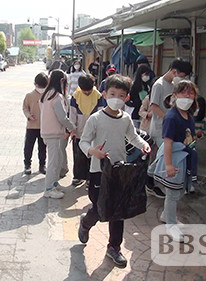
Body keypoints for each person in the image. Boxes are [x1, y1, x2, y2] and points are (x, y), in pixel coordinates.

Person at [78, 74, 150, 267]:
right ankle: (86, 223)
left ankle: (114, 247)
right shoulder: (95, 119)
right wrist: (92, 151)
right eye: (112, 93)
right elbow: (83, 141)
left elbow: (133, 137)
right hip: (98, 172)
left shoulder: (125, 118)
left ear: (127, 97)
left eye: (121, 94)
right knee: (100, 207)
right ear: (104, 94)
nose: (116, 98)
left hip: (119, 172)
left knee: (118, 210)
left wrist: (143, 145)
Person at [154, 80, 200, 242]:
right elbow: (168, 142)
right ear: (175, 96)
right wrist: (168, 164)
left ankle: (167, 215)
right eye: (183, 93)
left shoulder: (188, 116)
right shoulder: (172, 117)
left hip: (184, 158)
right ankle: (171, 224)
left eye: (191, 93)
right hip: (174, 159)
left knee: (179, 191)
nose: (187, 96)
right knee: (173, 193)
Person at [148, 58, 192, 199]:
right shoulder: (159, 85)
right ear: (174, 72)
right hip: (160, 128)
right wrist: (169, 119)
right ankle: (157, 181)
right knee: (165, 156)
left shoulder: (174, 85)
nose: (182, 79)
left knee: (163, 157)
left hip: (171, 129)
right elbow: (154, 106)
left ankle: (151, 179)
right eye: (182, 76)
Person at [40, 69, 77, 199]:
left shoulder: (47, 94)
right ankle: (49, 189)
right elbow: (62, 117)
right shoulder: (56, 96)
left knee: (57, 160)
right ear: (62, 81)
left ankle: (54, 184)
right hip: (53, 133)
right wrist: (73, 128)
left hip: (48, 132)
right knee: (53, 162)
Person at [69, 74, 106, 187]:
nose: (86, 93)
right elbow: (72, 114)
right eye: (84, 91)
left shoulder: (98, 97)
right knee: (78, 156)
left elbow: (101, 114)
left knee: (92, 156)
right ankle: (78, 176)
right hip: (79, 132)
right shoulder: (76, 96)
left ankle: (90, 178)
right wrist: (72, 130)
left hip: (94, 133)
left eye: (88, 91)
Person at [22, 72, 49, 175]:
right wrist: (28, 115)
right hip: (32, 126)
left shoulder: (48, 95)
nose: (40, 88)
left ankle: (42, 165)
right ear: (35, 84)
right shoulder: (29, 95)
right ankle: (27, 164)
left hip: (44, 126)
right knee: (28, 146)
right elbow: (25, 108)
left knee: (42, 147)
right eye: (39, 85)